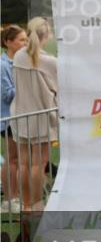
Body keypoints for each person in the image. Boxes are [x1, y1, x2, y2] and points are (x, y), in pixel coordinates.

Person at [11, 18, 58, 212]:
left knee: (23, 163)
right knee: (39, 163)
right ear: (46, 36)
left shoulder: (19, 56)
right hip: (41, 116)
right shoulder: (49, 61)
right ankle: (36, 202)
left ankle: (27, 203)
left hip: (20, 115)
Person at [1, 25, 27, 210]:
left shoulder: (21, 61)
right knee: (12, 159)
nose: (24, 43)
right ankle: (9, 201)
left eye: (26, 40)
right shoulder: (3, 65)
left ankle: (16, 198)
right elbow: (7, 94)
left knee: (19, 159)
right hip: (9, 118)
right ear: (7, 42)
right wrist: (28, 86)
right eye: (21, 40)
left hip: (22, 116)